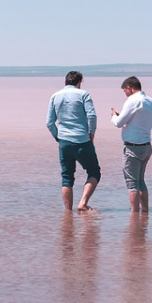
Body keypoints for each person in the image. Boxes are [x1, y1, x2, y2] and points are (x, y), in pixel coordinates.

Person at [46, 71, 100, 212]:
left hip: (64, 142)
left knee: (67, 178)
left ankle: (68, 213)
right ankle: (83, 203)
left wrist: (58, 137)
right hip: (82, 140)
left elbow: (49, 123)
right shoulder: (83, 94)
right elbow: (92, 116)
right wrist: (91, 134)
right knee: (94, 172)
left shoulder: (55, 96)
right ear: (79, 82)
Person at [109, 76, 152, 213]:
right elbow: (151, 124)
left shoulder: (132, 101)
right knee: (140, 180)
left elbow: (118, 123)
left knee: (132, 184)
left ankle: (134, 215)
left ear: (129, 87)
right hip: (147, 147)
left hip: (133, 147)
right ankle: (145, 212)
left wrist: (113, 115)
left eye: (125, 91)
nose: (125, 94)